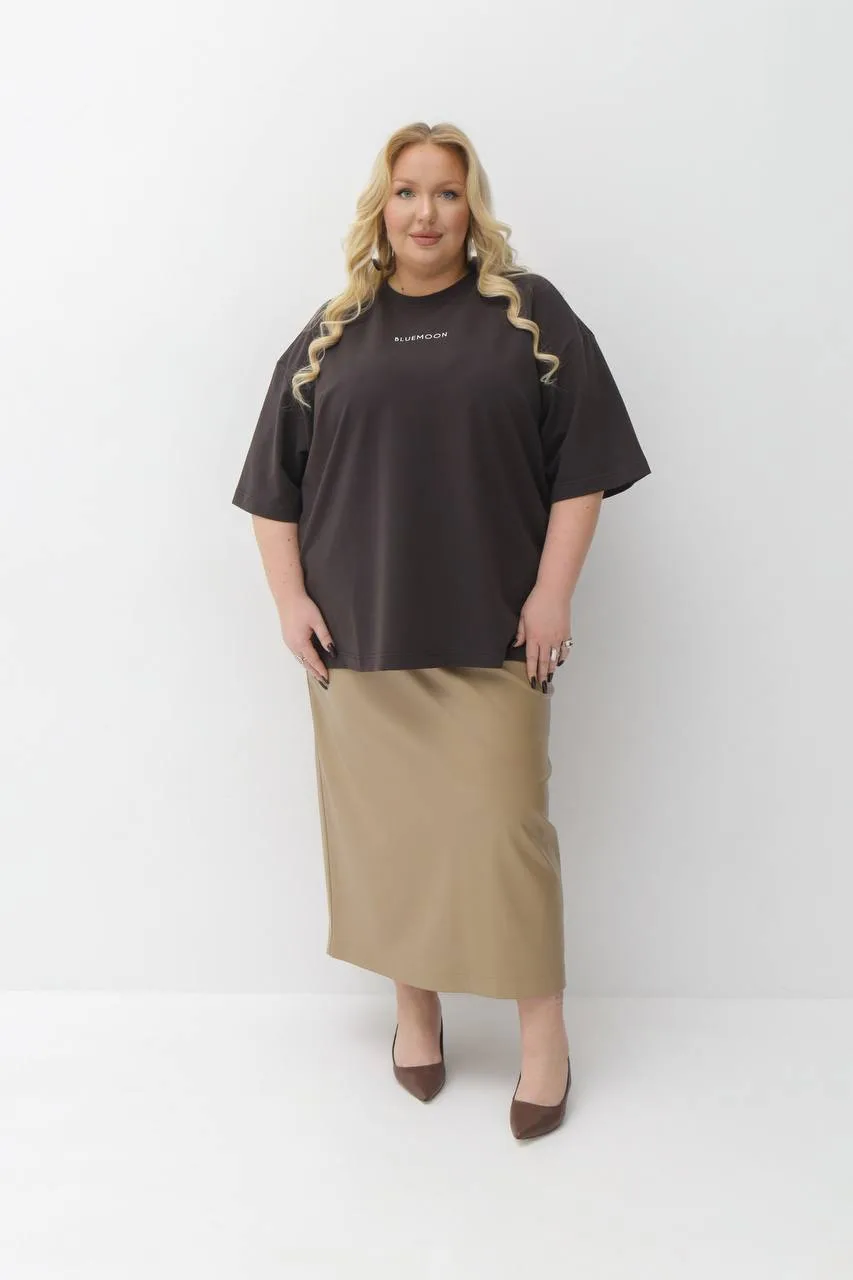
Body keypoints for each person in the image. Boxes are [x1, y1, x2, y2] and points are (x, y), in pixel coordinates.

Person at [232, 121, 651, 1141]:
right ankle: (413, 1017)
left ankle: (543, 1040)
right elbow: (272, 488)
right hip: (359, 636)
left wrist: (551, 594)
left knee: (506, 836)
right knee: (390, 840)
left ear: (473, 208)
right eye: (407, 191)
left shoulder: (529, 315)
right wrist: (290, 602)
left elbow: (583, 467)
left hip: (492, 628)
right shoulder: (334, 330)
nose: (426, 213)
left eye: (447, 193)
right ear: (381, 208)